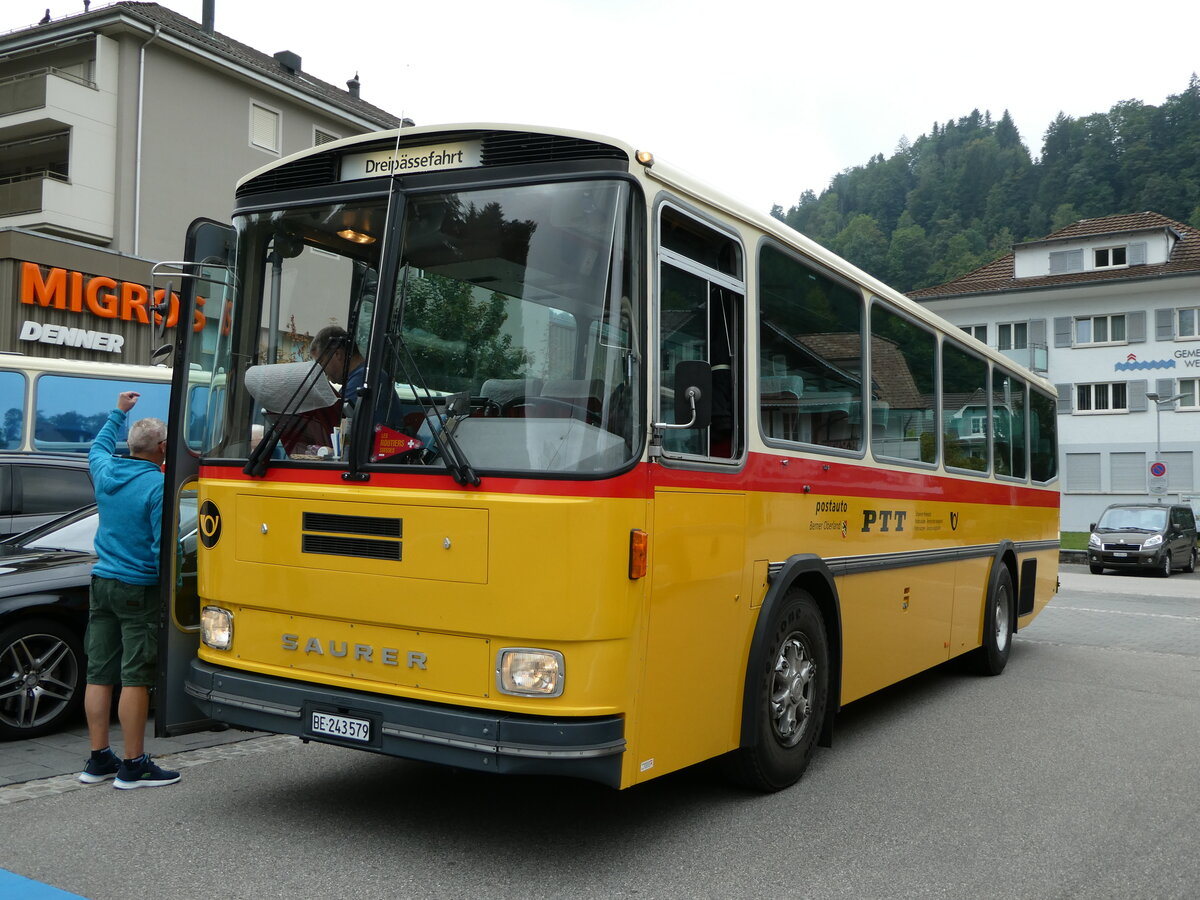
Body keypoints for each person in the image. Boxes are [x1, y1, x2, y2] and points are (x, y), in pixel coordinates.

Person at [77, 391, 180, 789]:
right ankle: (134, 765)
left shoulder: (105, 471)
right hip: (137, 587)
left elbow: (99, 444)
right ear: (162, 448)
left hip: (101, 582)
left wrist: (118, 411)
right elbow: (160, 550)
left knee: (99, 672)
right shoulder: (157, 486)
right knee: (135, 675)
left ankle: (99, 758)